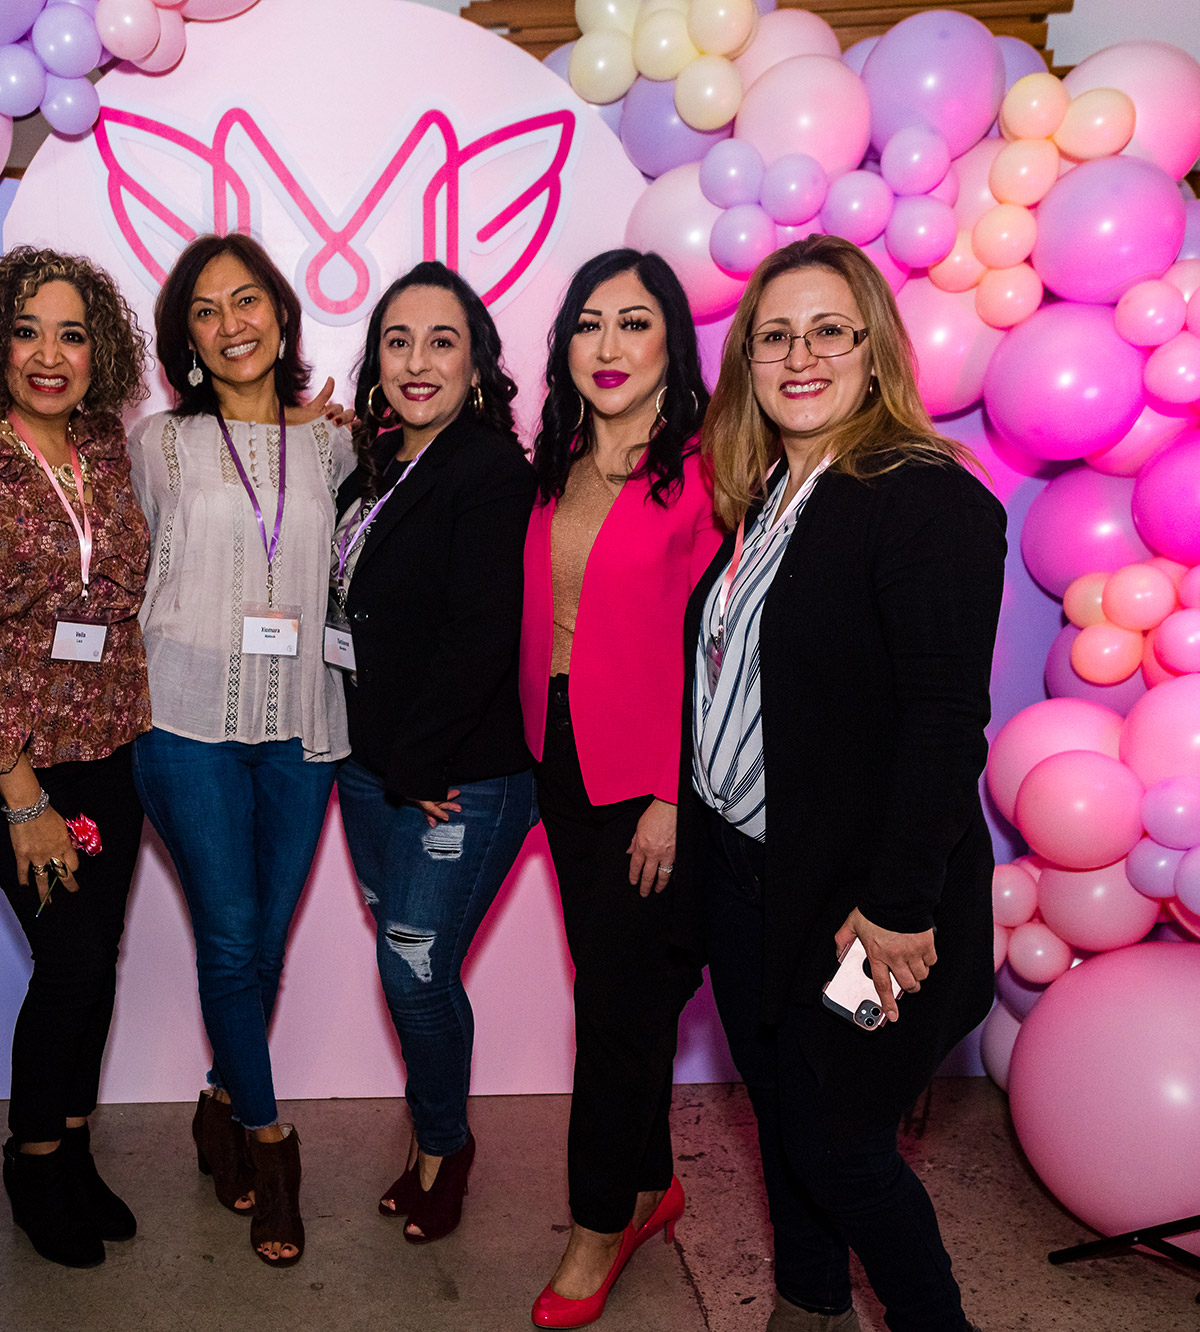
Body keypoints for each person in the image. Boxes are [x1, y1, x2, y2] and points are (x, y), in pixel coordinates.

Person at [684, 235, 1003, 1332]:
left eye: (827, 330)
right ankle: (808, 1303)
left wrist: (897, 908)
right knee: (776, 1107)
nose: (799, 354)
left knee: (840, 1141)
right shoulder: (767, 492)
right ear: (747, 365)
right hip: (747, 878)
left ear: (873, 352)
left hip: (862, 909)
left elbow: (942, 723)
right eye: (773, 336)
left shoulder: (924, 501)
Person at [0, 246, 152, 1270]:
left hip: (110, 740)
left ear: (98, 350)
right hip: (15, 759)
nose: (48, 355)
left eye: (70, 333)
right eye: (26, 331)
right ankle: (31, 1156)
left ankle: (77, 1148)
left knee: (95, 961)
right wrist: (19, 798)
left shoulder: (106, 449)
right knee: (65, 960)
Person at [130, 233, 353, 1268]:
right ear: (186, 340)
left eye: (247, 300)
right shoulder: (159, 444)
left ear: (279, 313)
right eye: (207, 311)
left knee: (261, 941)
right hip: (184, 721)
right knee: (227, 942)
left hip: (304, 723)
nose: (232, 324)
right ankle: (271, 1146)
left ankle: (220, 1100)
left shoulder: (334, 447)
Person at [521, 250, 719, 1327]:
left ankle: (597, 1222)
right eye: (586, 323)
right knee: (612, 983)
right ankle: (654, 1185)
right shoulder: (546, 463)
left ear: (668, 344)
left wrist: (669, 793)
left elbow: (715, 650)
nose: (604, 346)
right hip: (555, 752)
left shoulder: (702, 469)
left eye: (630, 323)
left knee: (616, 1002)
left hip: (649, 772)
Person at [332, 261, 538, 1245]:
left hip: (456, 776)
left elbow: (478, 635)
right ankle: (431, 1134)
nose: (416, 361)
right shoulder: (371, 464)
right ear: (375, 359)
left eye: (440, 340)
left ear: (476, 362)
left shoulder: (490, 469)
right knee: (398, 957)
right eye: (398, 340)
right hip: (370, 771)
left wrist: (414, 765)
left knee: (415, 965)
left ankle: (443, 1143)